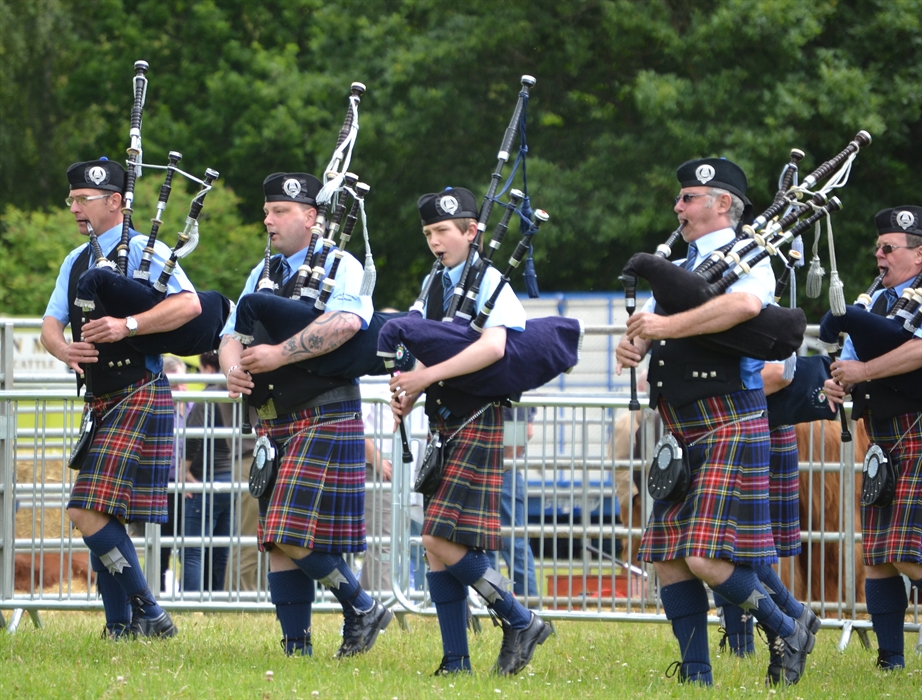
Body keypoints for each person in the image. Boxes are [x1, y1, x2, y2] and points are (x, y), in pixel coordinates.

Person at [615, 158, 814, 686]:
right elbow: (652, 330)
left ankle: (788, 628)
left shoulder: (751, 256)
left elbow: (743, 306)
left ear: (722, 203)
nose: (677, 207)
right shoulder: (684, 267)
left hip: (729, 417)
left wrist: (664, 326)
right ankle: (696, 676)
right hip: (682, 426)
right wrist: (634, 344)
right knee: (669, 558)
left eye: (688, 197)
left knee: (705, 557)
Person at [219, 172, 391, 658]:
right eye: (267, 211)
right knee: (277, 542)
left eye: (280, 211)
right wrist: (233, 370)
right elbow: (231, 333)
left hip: (325, 412)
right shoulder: (262, 271)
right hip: (274, 419)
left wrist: (279, 354)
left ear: (311, 217)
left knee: (286, 531)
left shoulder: (343, 264)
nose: (268, 220)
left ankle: (361, 606)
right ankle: (297, 649)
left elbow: (346, 323)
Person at [389, 187, 552, 676]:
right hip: (443, 421)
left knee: (438, 539)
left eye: (443, 231)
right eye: (428, 233)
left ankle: (521, 620)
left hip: (478, 417)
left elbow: (493, 348)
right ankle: (455, 660)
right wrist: (411, 388)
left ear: (471, 231)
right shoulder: (434, 282)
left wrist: (425, 378)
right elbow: (428, 344)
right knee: (439, 551)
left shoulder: (490, 280)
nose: (435, 241)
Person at [41, 157, 201, 639]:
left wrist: (127, 324)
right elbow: (50, 324)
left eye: (82, 199)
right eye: (71, 200)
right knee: (103, 516)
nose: (74, 208)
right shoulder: (75, 260)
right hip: (99, 400)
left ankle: (150, 613)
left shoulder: (148, 252)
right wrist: (64, 349)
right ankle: (120, 626)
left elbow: (189, 304)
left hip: (138, 390)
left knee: (85, 510)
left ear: (115, 201)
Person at [824, 205, 922, 671]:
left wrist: (863, 370)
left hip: (917, 428)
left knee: (909, 552)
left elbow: (919, 349)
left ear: (919, 254)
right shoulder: (874, 300)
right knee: (880, 554)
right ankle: (890, 662)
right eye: (878, 248)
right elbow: (848, 359)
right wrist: (837, 382)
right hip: (882, 435)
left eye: (889, 248)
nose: (879, 255)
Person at [713, 358, 821, 681]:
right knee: (727, 548)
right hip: (733, 430)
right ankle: (771, 629)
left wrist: (715, 393)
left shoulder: (763, 324)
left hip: (756, 430)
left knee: (732, 549)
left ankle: (784, 626)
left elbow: (782, 373)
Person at [181, 350, 234, 592]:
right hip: (233, 479)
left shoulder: (208, 396)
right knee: (224, 550)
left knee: (193, 550)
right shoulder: (239, 393)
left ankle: (190, 604)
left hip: (206, 478)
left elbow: (193, 436)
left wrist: (185, 471)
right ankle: (223, 602)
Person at [493, 406, 539, 602]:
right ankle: (502, 601)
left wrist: (505, 461)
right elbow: (526, 430)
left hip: (501, 472)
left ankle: (523, 604)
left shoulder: (511, 393)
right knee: (506, 546)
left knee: (513, 546)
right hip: (501, 471)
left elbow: (525, 430)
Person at [160, 354, 189, 593]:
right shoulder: (159, 412)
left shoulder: (196, 408)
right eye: (174, 385)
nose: (180, 390)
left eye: (183, 384)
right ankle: (156, 593)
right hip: (165, 487)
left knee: (191, 546)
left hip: (191, 488)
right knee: (162, 545)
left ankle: (190, 595)